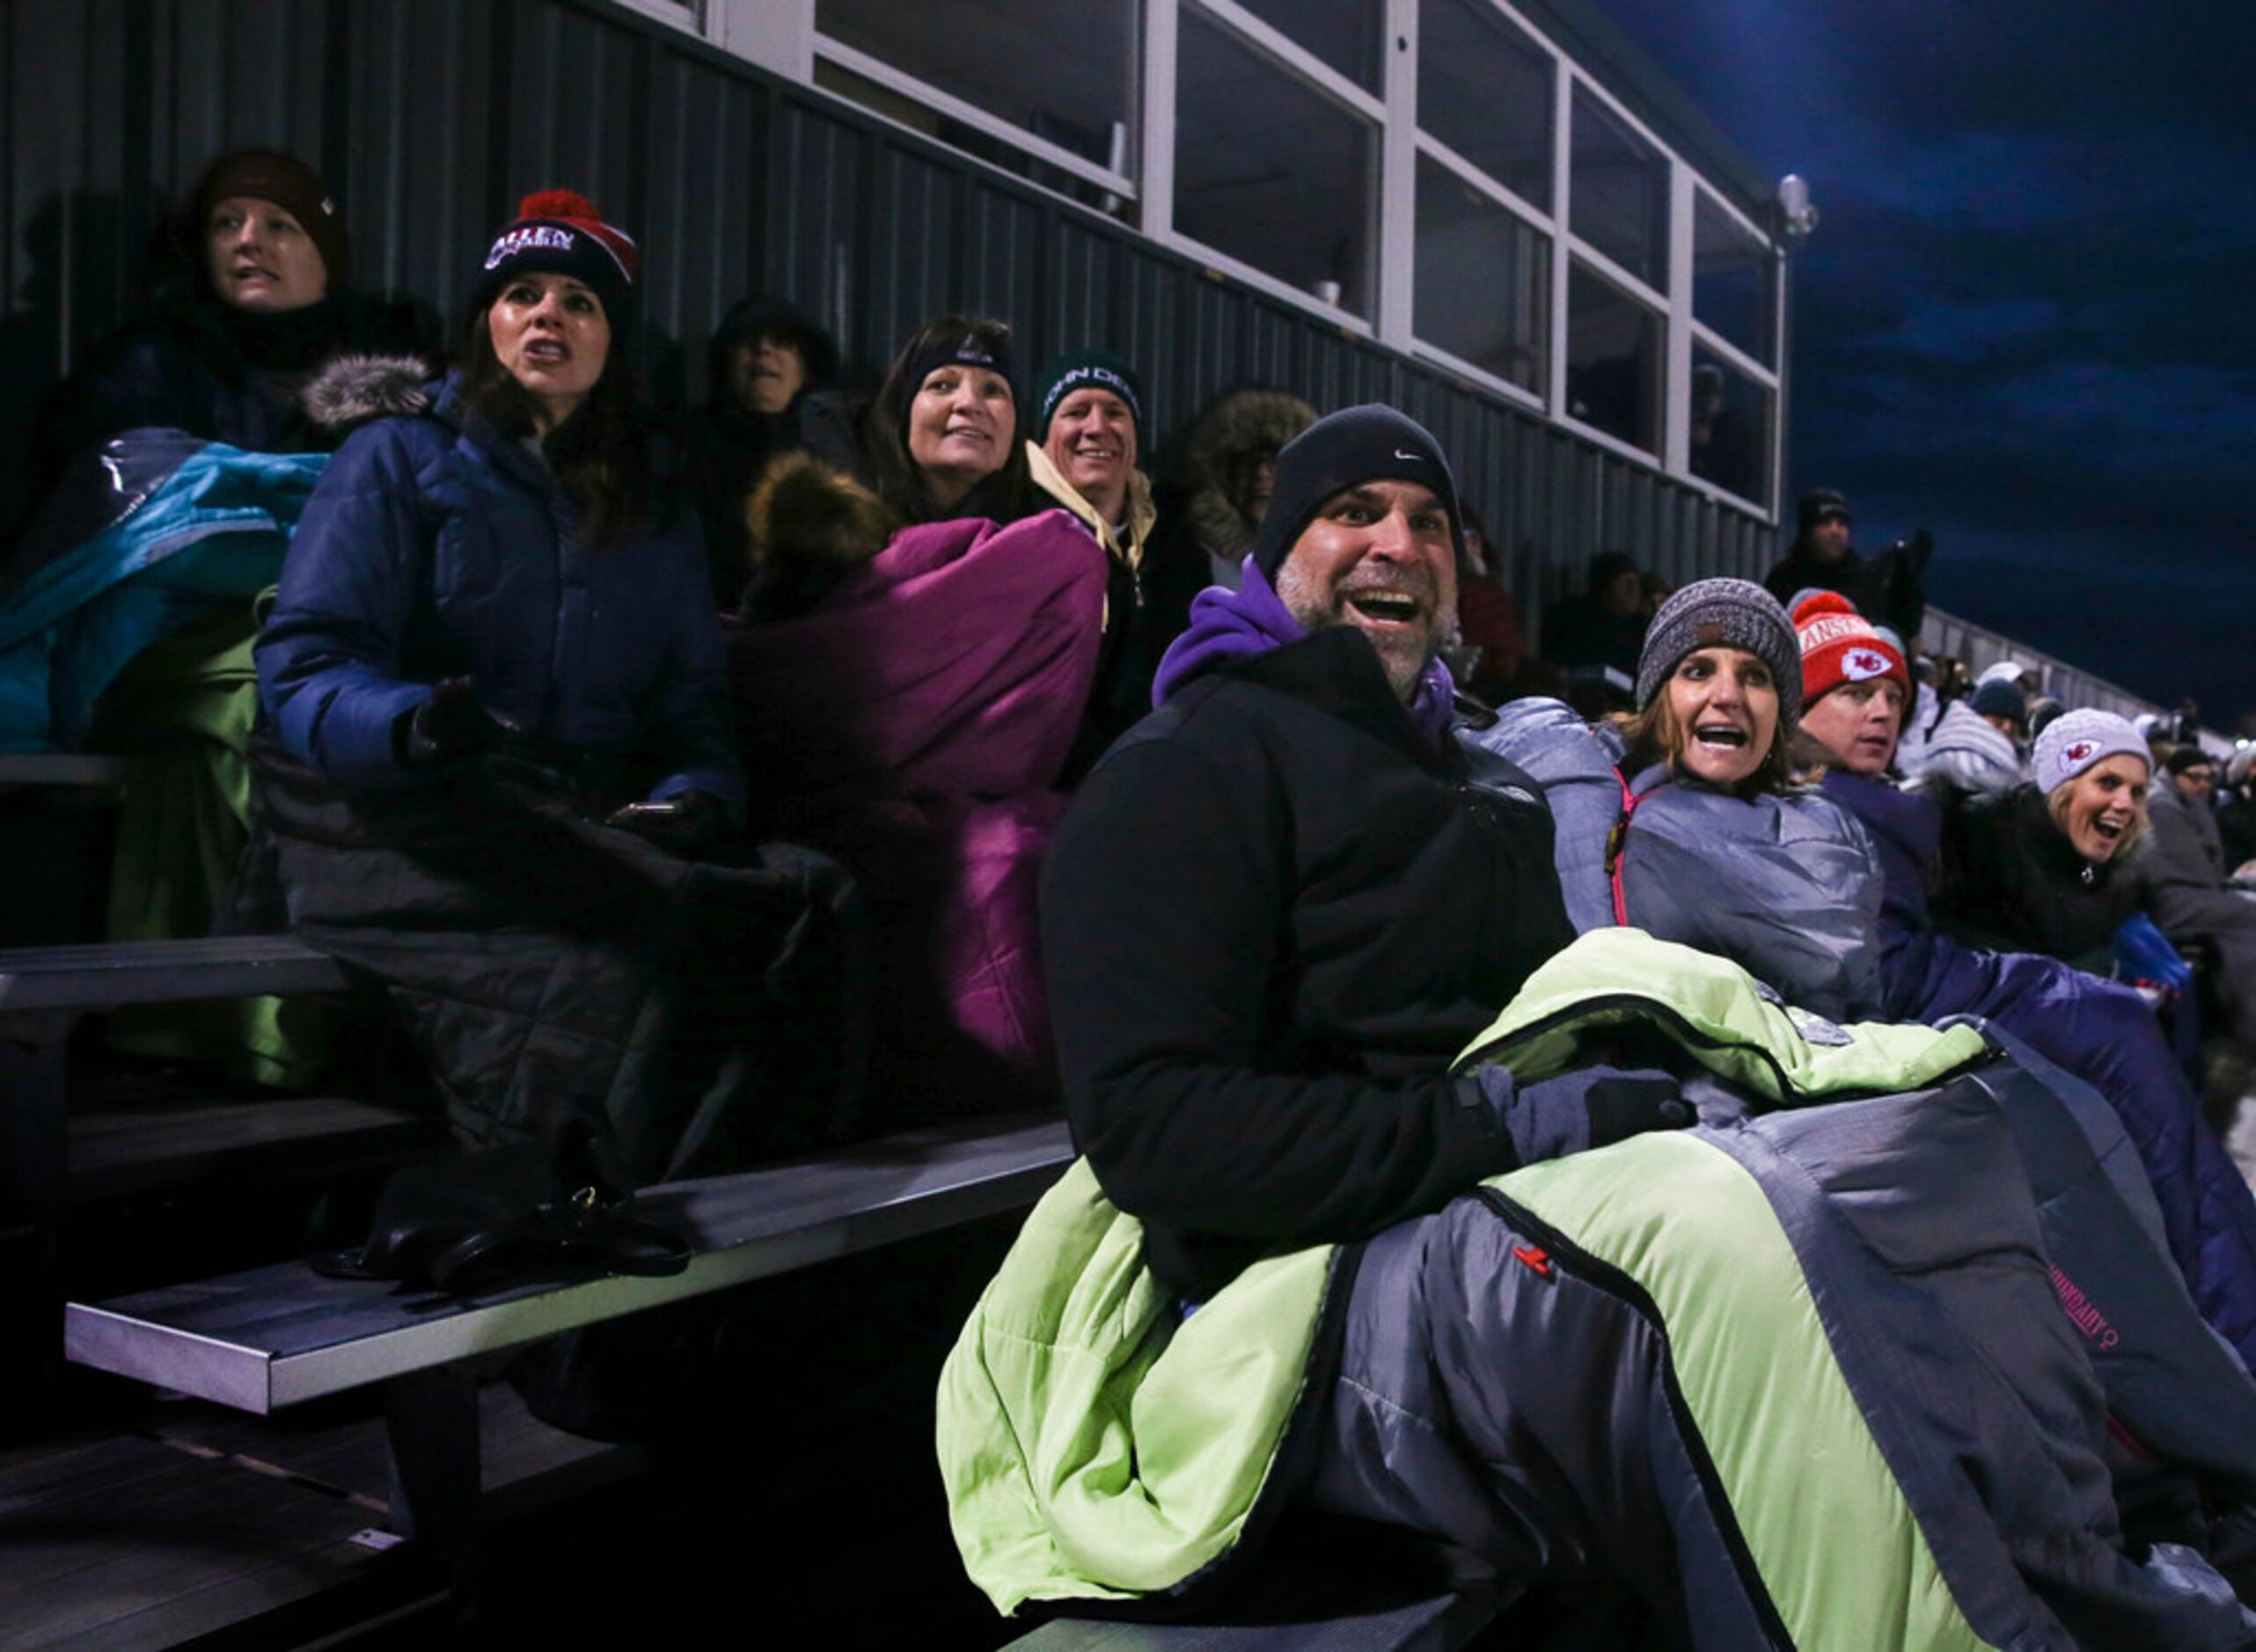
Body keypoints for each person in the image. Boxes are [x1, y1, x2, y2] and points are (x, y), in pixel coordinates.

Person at [937, 406, 2256, 1643]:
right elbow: (1162, 1132)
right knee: (1724, 1222)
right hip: (1299, 1288)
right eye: (1351, 512)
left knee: (1964, 1130)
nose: (1397, 541)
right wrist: (1503, 1122)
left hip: (1494, 1196)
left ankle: (2121, 1565)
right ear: (1277, 554)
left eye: (1428, 522)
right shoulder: (1189, 764)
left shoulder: (1477, 780)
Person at [250, 189, 859, 1182]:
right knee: (617, 947)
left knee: (805, 902)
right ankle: (555, 1223)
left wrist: (696, 794)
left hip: (564, 807)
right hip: (384, 809)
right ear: (485, 324)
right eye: (522, 294)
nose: (546, 315)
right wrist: (413, 726)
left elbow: (689, 702)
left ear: (611, 338)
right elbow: (308, 660)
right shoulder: (396, 457)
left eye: (579, 300)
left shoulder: (649, 504)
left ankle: (747, 1252)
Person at [27, 149, 431, 498]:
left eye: (279, 225)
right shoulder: (146, 373)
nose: (248, 241)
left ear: (327, 257)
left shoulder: (406, 365)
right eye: (227, 223)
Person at [1021, 349, 1200, 777]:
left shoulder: (1178, 541)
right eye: (1076, 411)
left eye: (1115, 412)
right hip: (1042, 782)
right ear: (1044, 435)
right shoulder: (1014, 525)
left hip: (1155, 775)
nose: (1097, 428)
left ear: (1136, 436)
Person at [686, 295, 863, 606]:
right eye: (748, 341)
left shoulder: (838, 447)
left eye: (783, 342)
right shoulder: (684, 443)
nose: (764, 350)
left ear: (807, 367)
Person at [864, 315, 1031, 528]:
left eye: (992, 390)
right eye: (942, 385)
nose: (969, 403)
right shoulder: (838, 542)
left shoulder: (1051, 546)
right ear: (902, 415)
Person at [1163, 385, 1316, 590]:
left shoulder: (1335, 561)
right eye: (1247, 462)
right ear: (1220, 473)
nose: (1261, 473)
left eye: (1276, 461)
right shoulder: (1184, 558)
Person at [1760, 487, 1930, 643]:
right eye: (1826, 523)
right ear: (1807, 531)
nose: (1836, 531)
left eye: (1841, 524)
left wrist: (1910, 580)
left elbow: (1893, 630)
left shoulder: (1865, 580)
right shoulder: (1783, 579)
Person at [1538, 550, 1645, 679]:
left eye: (1636, 583)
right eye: (1625, 582)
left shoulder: (1640, 628)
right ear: (1604, 587)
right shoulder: (1571, 620)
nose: (1633, 590)